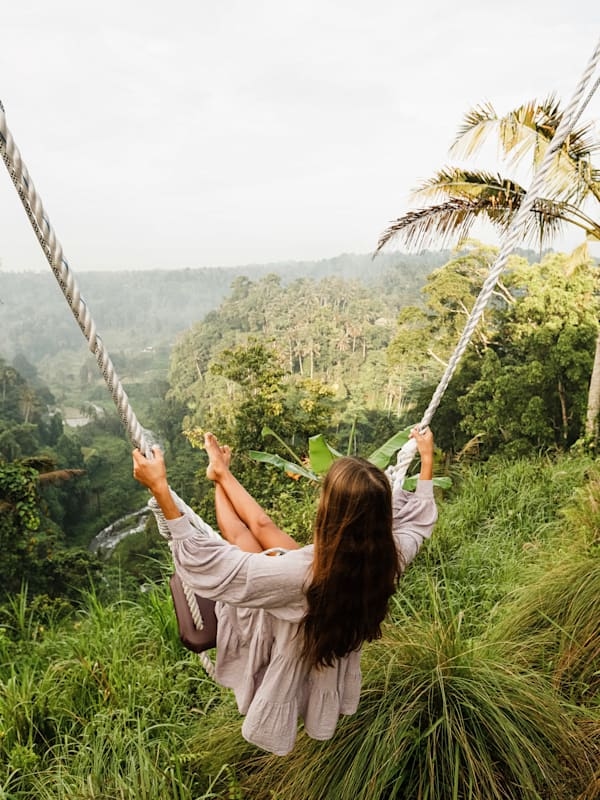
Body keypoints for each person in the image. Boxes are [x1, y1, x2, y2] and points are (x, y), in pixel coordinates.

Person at [132, 428, 437, 756]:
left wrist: (161, 490)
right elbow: (419, 522)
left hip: (285, 628)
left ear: (330, 513)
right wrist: (427, 459)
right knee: (264, 533)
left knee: (246, 543)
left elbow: (217, 564)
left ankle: (219, 476)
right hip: (325, 612)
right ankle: (220, 473)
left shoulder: (299, 576)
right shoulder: (391, 556)